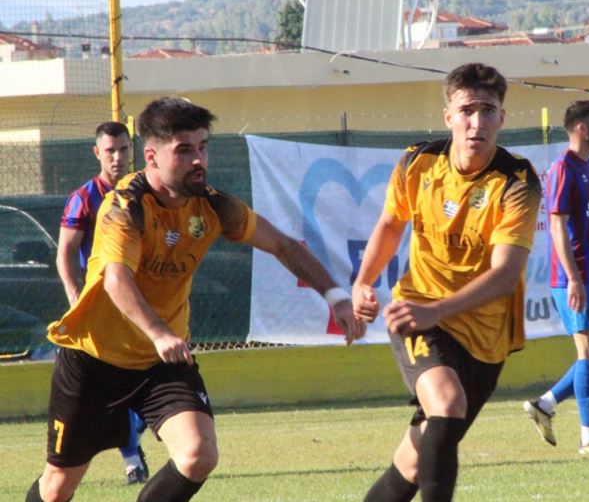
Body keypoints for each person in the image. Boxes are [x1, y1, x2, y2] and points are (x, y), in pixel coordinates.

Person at [27, 97, 365, 502]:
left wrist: (336, 296)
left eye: (203, 147)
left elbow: (282, 244)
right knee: (56, 488)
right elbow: (116, 279)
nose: (198, 160)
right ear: (151, 156)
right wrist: (158, 332)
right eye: (184, 150)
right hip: (93, 358)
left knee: (198, 454)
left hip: (160, 363)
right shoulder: (125, 205)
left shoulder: (214, 205)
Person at [352, 62, 541, 501]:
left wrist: (436, 311)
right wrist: (363, 282)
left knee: (414, 461)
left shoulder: (517, 182)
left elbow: (505, 274)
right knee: (447, 402)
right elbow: (390, 224)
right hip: (417, 312)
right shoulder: (418, 162)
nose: (477, 122)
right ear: (448, 116)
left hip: (486, 338)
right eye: (467, 110)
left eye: (488, 111)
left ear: (502, 118)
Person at [522, 100, 589, 455]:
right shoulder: (563, 168)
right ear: (582, 128)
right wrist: (574, 279)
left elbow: (587, 226)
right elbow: (556, 227)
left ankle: (545, 404)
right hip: (574, 278)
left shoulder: (587, 167)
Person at [55, 121, 150, 485]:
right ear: (97, 153)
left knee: (157, 377)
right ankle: (132, 460)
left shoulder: (146, 192)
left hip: (147, 303)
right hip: (104, 307)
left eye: (123, 149)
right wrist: (74, 297)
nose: (117, 157)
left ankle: (131, 435)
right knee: (112, 384)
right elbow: (66, 253)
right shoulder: (84, 197)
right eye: (110, 150)